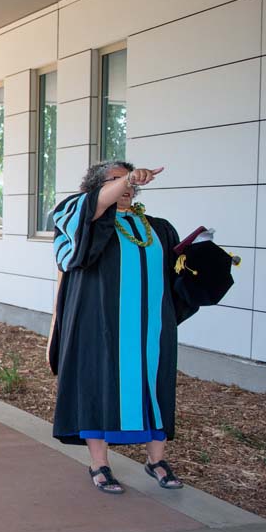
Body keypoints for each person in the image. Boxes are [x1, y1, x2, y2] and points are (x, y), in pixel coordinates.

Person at [48, 161, 228, 494]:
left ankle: (156, 460)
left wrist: (203, 262)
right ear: (95, 188)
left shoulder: (157, 228)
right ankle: (99, 464)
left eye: (130, 182)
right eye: (116, 181)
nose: (127, 187)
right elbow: (76, 249)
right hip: (97, 324)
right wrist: (127, 177)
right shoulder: (77, 216)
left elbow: (176, 279)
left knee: (154, 387)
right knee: (96, 385)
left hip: (151, 327)